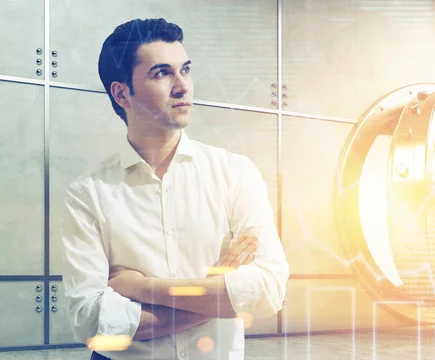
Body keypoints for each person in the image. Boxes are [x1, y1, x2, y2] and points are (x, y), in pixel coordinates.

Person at [60, 18, 290, 360]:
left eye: (185, 70)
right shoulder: (87, 194)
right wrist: (215, 295)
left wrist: (141, 288)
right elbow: (89, 319)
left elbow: (269, 289)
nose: (182, 86)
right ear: (122, 93)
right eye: (161, 73)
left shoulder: (234, 173)